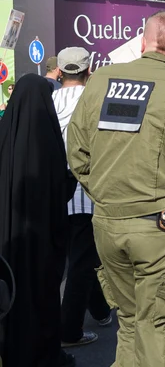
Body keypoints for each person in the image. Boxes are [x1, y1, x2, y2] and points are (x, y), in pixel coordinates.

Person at [67, 11, 165, 366]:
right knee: (156, 329)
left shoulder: (101, 80)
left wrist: (107, 194)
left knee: (129, 323)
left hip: (108, 225)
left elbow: (77, 152)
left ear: (143, 41)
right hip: (158, 230)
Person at [0, 74, 75, 367]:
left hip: (7, 238)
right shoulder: (49, 141)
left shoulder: (4, 134)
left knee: (10, 293)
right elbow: (61, 190)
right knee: (41, 296)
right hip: (41, 238)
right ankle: (43, 354)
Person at [52, 47, 112, 348]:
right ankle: (69, 330)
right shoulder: (96, 101)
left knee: (78, 259)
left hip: (54, 194)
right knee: (81, 262)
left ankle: (100, 310)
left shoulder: (48, 101)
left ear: (60, 71)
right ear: (89, 71)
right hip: (87, 192)